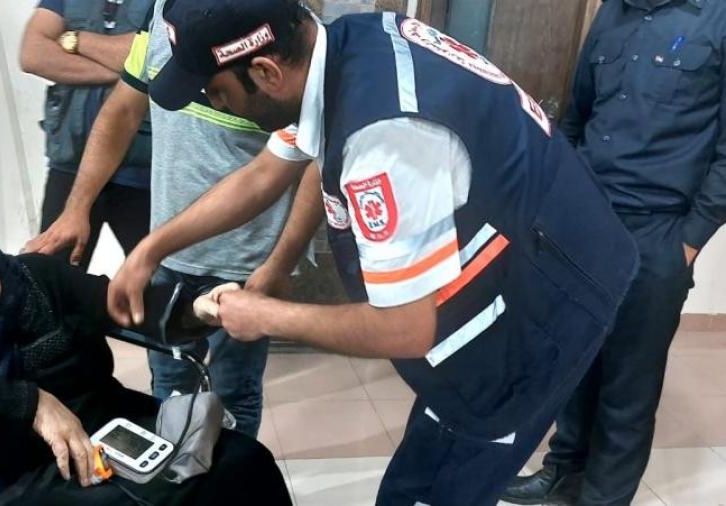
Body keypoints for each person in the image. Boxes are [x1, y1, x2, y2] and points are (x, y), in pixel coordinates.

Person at [104, 1, 641, 505]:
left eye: (216, 91)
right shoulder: (340, 49)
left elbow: (405, 328)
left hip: (546, 305)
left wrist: (265, 316)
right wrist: (153, 250)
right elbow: (268, 173)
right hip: (533, 245)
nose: (214, 103)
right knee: (435, 433)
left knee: (434, 481)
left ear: (266, 72)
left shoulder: (386, 137)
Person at [24, 0, 322, 437]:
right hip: (170, 252)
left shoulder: (284, 29)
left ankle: (233, 472)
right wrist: (77, 208)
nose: (216, 98)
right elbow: (122, 110)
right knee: (170, 385)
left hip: (247, 262)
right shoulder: (167, 15)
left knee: (234, 391)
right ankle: (176, 471)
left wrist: (278, 264)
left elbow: (308, 161)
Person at [0, 190, 292, 506]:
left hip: (113, 423)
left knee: (245, 463)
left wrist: (195, 308)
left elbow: (116, 303)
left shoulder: (35, 277)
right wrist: (29, 401)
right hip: (14, 466)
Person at [502, 1, 726, 504]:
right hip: (588, 222)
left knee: (629, 386)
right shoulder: (611, 14)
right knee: (575, 362)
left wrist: (689, 241)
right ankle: (563, 473)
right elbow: (577, 116)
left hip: (660, 230)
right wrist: (561, 203)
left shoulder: (717, 18)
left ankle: (602, 498)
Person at [20, 0, 153, 268]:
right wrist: (128, 75)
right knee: (51, 276)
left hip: (143, 172)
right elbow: (32, 54)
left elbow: (157, 54)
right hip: (70, 164)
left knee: (157, 281)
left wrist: (73, 39)